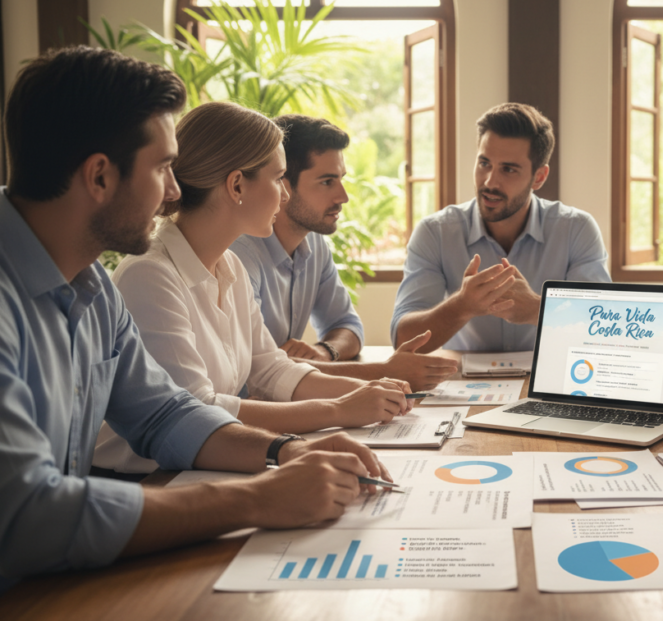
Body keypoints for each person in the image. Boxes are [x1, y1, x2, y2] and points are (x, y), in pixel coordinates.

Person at [0, 47, 391, 586]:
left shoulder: (93, 287)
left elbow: (164, 414)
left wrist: (286, 450)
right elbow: (27, 513)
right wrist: (257, 498)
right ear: (99, 176)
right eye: (163, 168)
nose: (175, 191)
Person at [93, 102, 412, 474]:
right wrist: (338, 410)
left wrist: (368, 393)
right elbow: (199, 410)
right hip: (146, 481)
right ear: (236, 185)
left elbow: (271, 369)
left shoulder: (229, 265)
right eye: (278, 179)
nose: (286, 195)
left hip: (202, 471)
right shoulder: (150, 275)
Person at [230, 115, 458, 391]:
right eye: (327, 182)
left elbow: (347, 326)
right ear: (283, 185)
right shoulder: (238, 255)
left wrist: (326, 350)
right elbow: (260, 370)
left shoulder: (314, 244)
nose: (343, 197)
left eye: (341, 180)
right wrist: (384, 371)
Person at [391, 102, 612, 353]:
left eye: (508, 169)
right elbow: (403, 340)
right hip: (460, 377)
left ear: (539, 177)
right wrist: (461, 306)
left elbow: (604, 329)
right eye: (484, 163)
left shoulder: (576, 230)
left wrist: (536, 310)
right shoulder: (435, 233)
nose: (490, 182)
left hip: (548, 376)